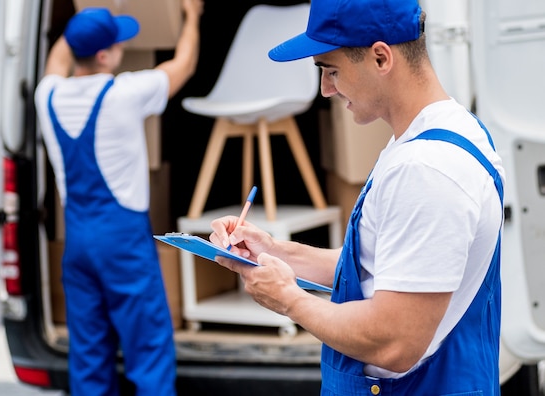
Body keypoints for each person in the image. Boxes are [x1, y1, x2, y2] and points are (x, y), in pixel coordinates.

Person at [208, 0, 505, 394]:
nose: (325, 89)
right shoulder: (441, 133)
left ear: (381, 57)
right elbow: (389, 268)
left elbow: (394, 340)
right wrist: (276, 252)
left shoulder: (427, 169)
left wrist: (289, 300)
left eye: (331, 70)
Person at [34, 2, 202, 395]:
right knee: (148, 350)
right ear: (106, 55)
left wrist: (85, 16)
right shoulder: (125, 93)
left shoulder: (49, 95)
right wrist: (192, 16)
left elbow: (60, 57)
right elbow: (184, 65)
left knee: (89, 356)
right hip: (122, 245)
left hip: (77, 246)